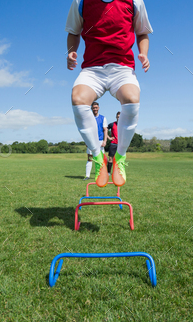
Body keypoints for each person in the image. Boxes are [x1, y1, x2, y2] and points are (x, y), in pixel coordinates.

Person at [66, 0, 152, 187]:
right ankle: (99, 159)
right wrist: (71, 52)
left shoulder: (135, 1)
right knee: (78, 99)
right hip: (92, 69)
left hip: (122, 68)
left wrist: (143, 53)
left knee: (131, 98)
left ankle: (119, 157)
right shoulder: (80, 1)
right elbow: (74, 32)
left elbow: (142, 32)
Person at [83, 101, 108, 180]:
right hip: (91, 141)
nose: (95, 109)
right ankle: (87, 176)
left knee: (101, 159)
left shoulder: (103, 118)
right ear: (91, 108)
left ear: (99, 108)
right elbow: (85, 131)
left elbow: (105, 130)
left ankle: (101, 175)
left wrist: (105, 141)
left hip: (100, 141)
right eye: (93, 108)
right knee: (90, 158)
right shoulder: (88, 118)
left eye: (96, 107)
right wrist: (86, 141)